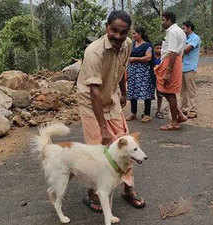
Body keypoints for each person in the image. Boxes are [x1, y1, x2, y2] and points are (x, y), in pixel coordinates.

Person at [76, 10, 146, 213]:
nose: (117, 36)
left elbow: (121, 69)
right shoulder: (94, 52)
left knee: (125, 143)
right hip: (90, 101)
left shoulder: (128, 45)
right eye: (113, 30)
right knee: (98, 149)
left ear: (128, 32)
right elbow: (94, 92)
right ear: (107, 28)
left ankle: (128, 189)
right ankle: (92, 192)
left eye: (122, 32)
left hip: (111, 97)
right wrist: (102, 128)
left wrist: (122, 92)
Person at [154, 12, 188, 130]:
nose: (162, 22)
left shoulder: (173, 32)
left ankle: (174, 122)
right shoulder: (179, 31)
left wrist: (168, 71)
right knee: (164, 89)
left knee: (169, 92)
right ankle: (179, 114)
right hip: (173, 61)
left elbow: (173, 52)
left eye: (163, 20)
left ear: (169, 20)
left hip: (171, 61)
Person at [126, 27, 155, 123]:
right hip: (133, 71)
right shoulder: (132, 45)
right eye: (132, 34)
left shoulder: (147, 45)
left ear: (140, 34)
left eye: (134, 34)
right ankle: (133, 113)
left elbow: (148, 58)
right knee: (132, 90)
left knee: (145, 91)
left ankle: (147, 114)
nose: (133, 35)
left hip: (143, 72)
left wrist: (135, 59)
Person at [180, 21, 201, 118]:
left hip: (190, 67)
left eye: (184, 28)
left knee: (191, 90)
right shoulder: (185, 38)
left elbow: (186, 50)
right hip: (182, 67)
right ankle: (184, 109)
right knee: (182, 90)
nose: (183, 30)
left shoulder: (195, 38)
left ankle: (193, 110)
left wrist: (178, 50)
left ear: (189, 28)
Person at [153, 42, 165, 119]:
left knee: (160, 95)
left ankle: (158, 110)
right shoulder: (151, 58)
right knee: (149, 94)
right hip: (152, 77)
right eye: (157, 48)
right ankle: (146, 111)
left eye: (161, 48)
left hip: (160, 78)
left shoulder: (164, 58)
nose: (159, 50)